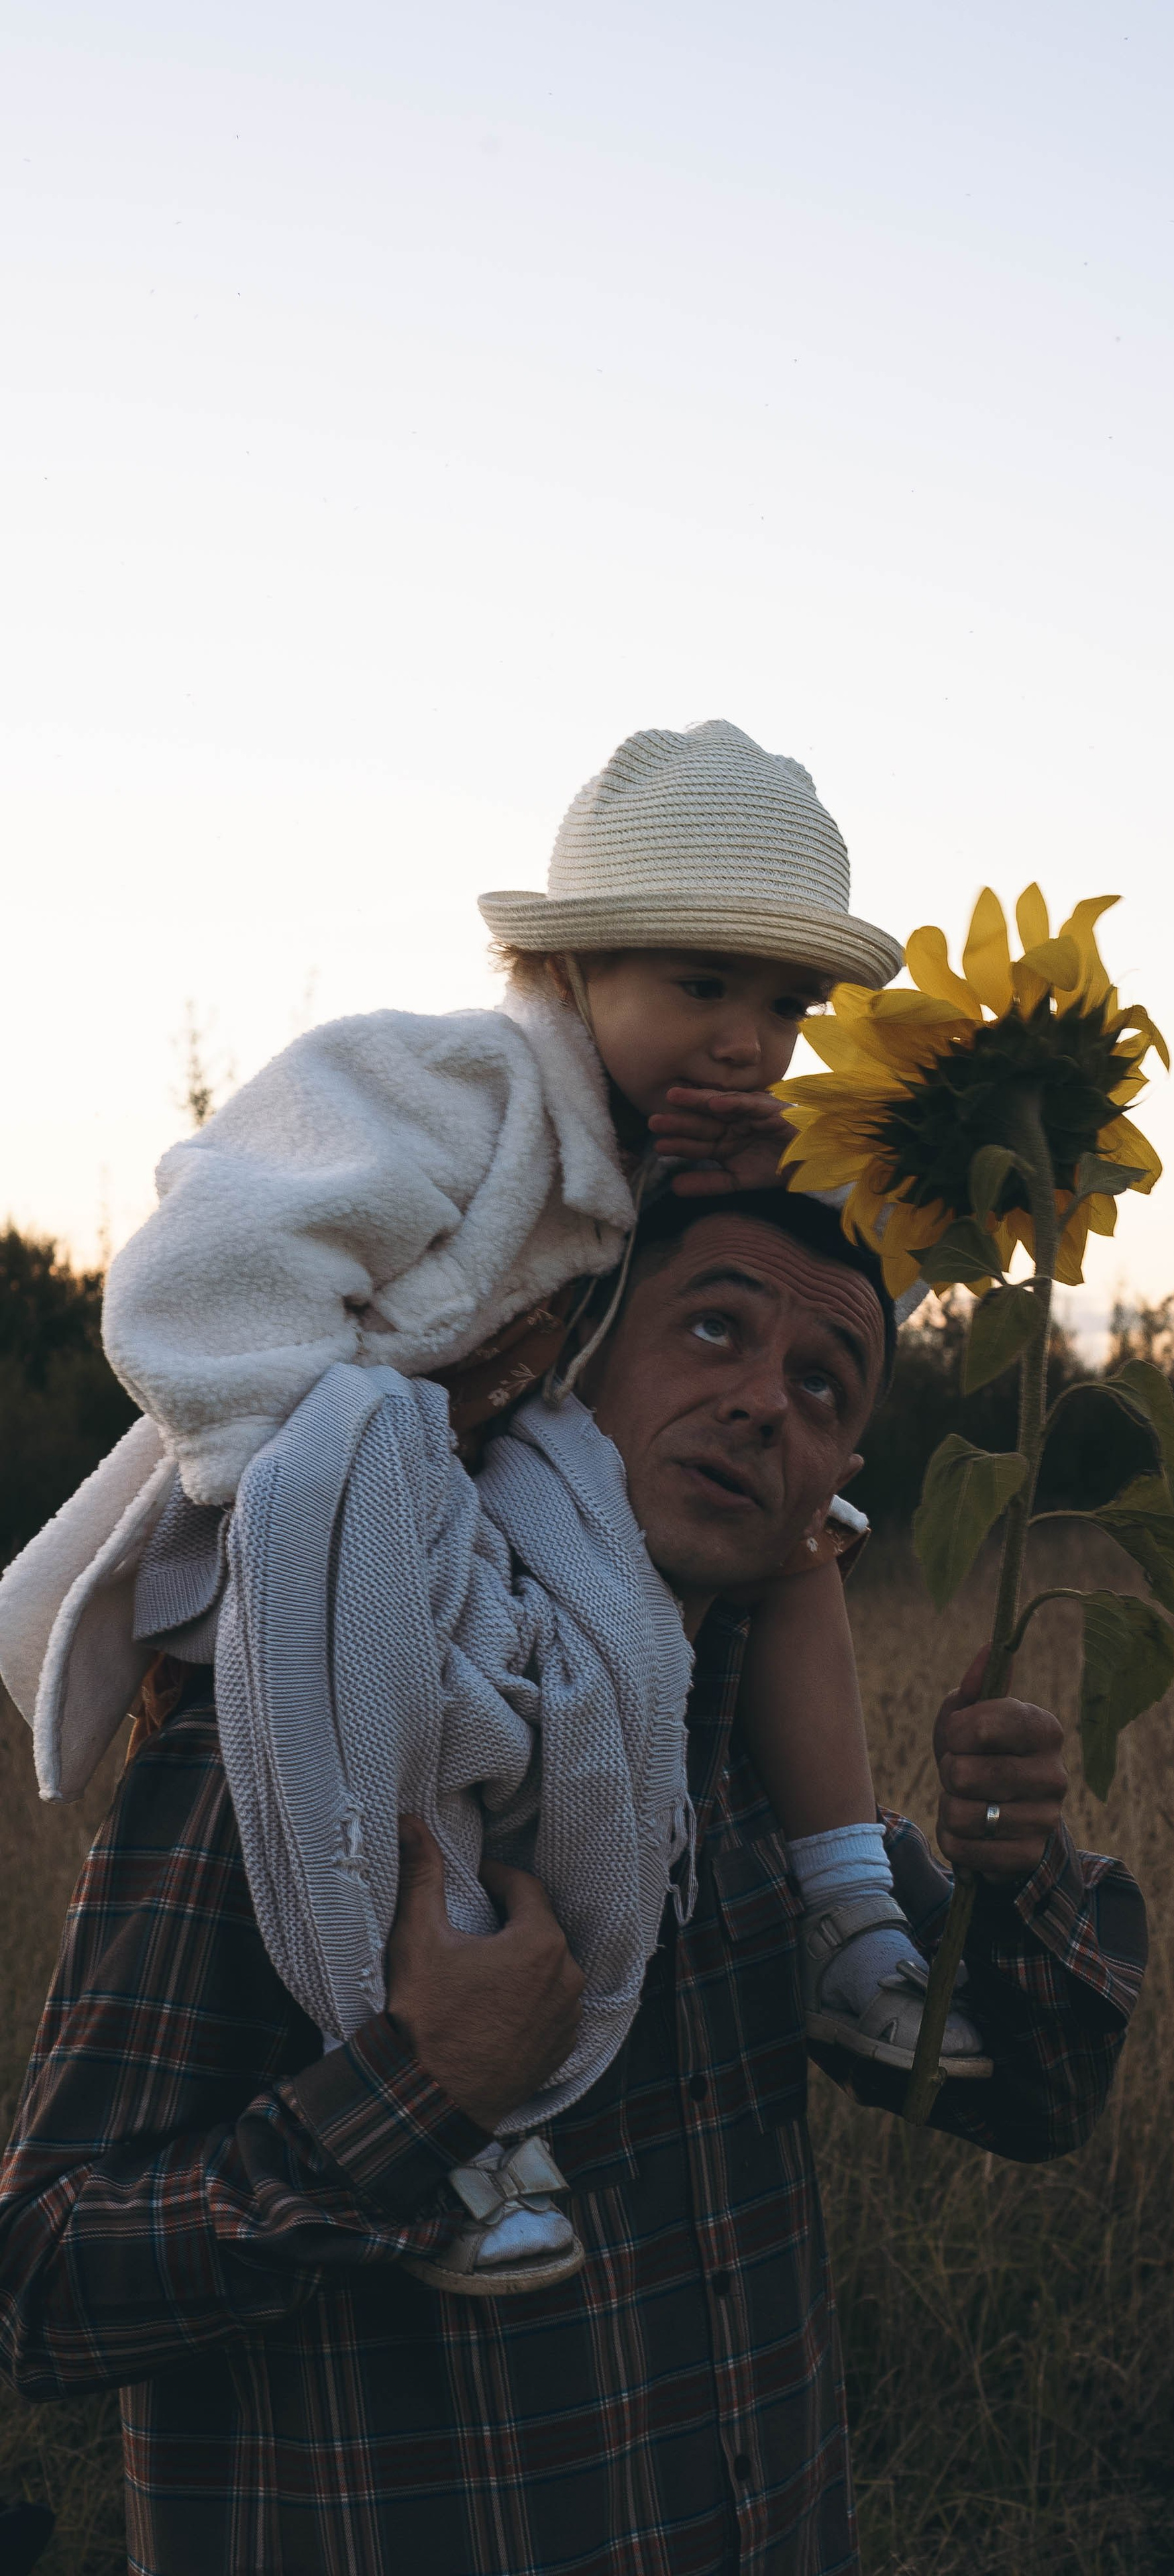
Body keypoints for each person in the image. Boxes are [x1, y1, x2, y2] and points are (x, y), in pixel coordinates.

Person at [0, 1190, 1147, 2576]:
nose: (760, 1404)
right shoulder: (313, 1735)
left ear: (831, 1481)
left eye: (820, 1383)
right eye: (712, 1328)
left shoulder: (758, 1787)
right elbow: (44, 2283)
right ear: (578, 1360)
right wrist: (423, 2096)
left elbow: (1041, 2105)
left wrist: (1011, 1875)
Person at [0, 720, 988, 2300]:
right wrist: (335, 1488)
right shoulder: (446, 1086)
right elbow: (203, 1280)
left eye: (786, 1005)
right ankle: (447, 2102)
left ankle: (846, 1904)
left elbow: (802, 1281)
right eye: (700, 984)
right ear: (578, 965)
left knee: (809, 1529)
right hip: (315, 1499)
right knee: (412, 1724)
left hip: (499, 1503)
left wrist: (782, 1160)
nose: (746, 1042)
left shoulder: (673, 1158)